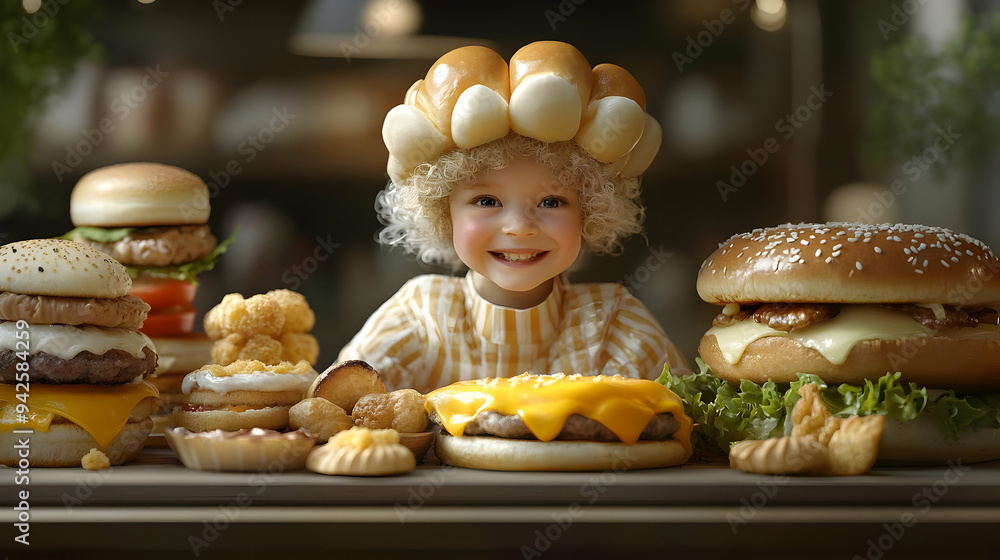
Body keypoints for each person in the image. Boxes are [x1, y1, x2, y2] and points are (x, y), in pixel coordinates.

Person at [339, 41, 689, 392]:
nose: (519, 227)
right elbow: (341, 400)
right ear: (443, 212)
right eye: (487, 200)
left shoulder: (614, 323)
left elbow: (685, 417)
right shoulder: (419, 315)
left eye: (551, 202)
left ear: (592, 211)